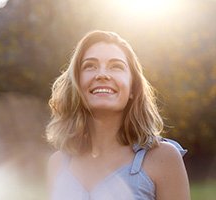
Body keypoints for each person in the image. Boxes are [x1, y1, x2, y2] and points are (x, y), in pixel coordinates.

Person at [46, 30, 190, 200]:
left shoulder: (163, 158)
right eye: (89, 66)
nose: (102, 75)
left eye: (116, 66)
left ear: (132, 88)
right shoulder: (58, 164)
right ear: (76, 84)